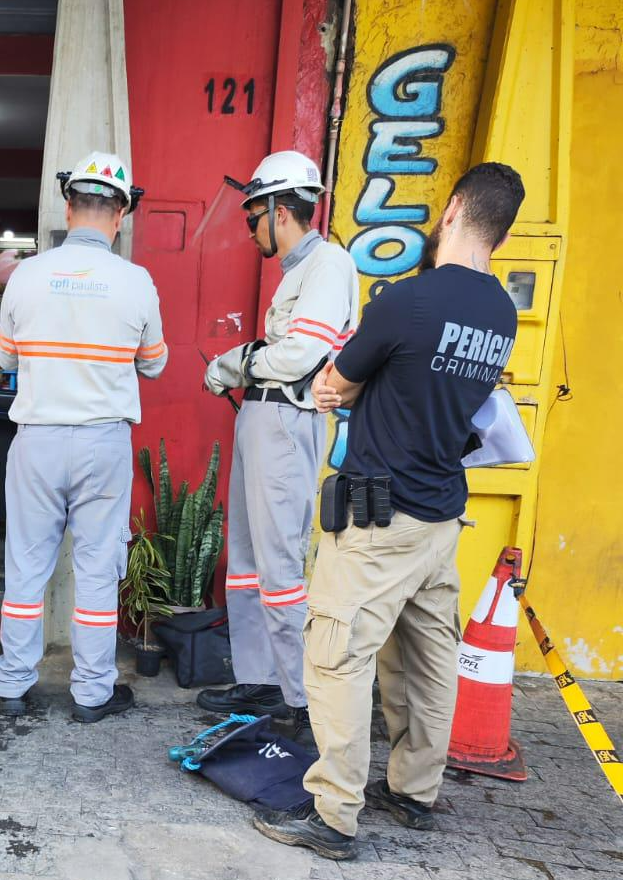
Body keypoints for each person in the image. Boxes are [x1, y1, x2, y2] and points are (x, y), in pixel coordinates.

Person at [254, 163, 526, 859]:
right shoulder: (501, 311)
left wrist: (348, 389)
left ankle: (334, 816)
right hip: (440, 520)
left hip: (380, 521)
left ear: (457, 207)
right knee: (427, 660)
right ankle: (412, 794)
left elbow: (331, 385)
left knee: (338, 657)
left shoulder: (407, 302)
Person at [0, 150, 167, 723]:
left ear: (69, 207)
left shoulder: (27, 275)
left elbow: (4, 355)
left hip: (37, 439)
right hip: (102, 443)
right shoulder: (136, 282)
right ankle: (92, 693)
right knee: (96, 568)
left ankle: (14, 684)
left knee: (26, 565)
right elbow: (155, 364)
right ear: (120, 213)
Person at [200, 151, 360, 745]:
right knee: (245, 557)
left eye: (252, 218)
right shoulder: (300, 269)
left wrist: (231, 362)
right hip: (263, 420)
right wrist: (243, 367)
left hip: (286, 422)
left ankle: (300, 699)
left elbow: (298, 356)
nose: (249, 230)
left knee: (281, 566)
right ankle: (259, 679)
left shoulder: (328, 265)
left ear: (278, 209)